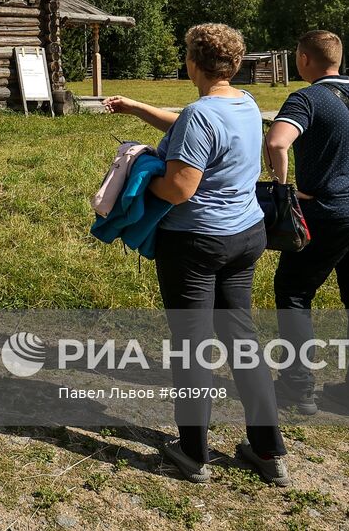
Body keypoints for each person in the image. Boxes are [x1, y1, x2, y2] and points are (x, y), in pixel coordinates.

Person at [105, 24, 289, 487]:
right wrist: (137, 108)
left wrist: (141, 177)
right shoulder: (244, 103)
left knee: (192, 347)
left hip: (196, 244)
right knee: (242, 340)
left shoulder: (199, 115)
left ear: (192, 62)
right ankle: (268, 450)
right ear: (235, 64)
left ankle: (193, 452)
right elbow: (196, 129)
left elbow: (181, 187)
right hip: (246, 235)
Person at [264, 30, 349, 421]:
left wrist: (286, 188)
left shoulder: (306, 99)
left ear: (304, 59)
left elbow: (277, 142)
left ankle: (297, 387)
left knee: (293, 291)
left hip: (330, 210)